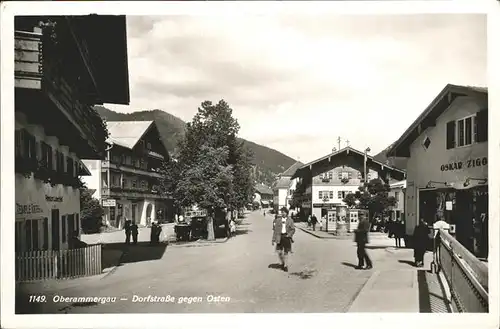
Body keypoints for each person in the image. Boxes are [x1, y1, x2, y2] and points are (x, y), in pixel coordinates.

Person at [272, 207, 296, 272]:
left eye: (284, 212)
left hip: (286, 237)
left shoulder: (290, 220)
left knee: (286, 252)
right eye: (282, 212)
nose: (283, 213)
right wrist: (273, 239)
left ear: (287, 213)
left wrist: (289, 235)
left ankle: (285, 265)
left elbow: (293, 229)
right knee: (279, 252)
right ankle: (282, 262)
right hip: (279, 237)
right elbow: (275, 230)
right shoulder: (278, 220)